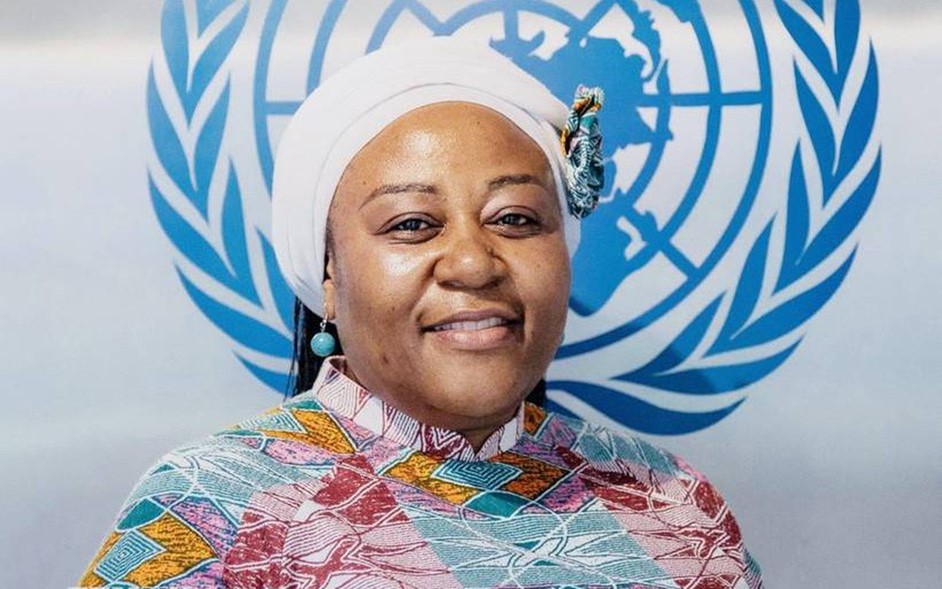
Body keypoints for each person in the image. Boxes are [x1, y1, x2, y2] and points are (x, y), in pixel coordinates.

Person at [80, 37, 762, 588]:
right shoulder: (210, 511)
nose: (473, 263)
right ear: (328, 274)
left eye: (515, 218)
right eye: (412, 223)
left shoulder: (674, 503)